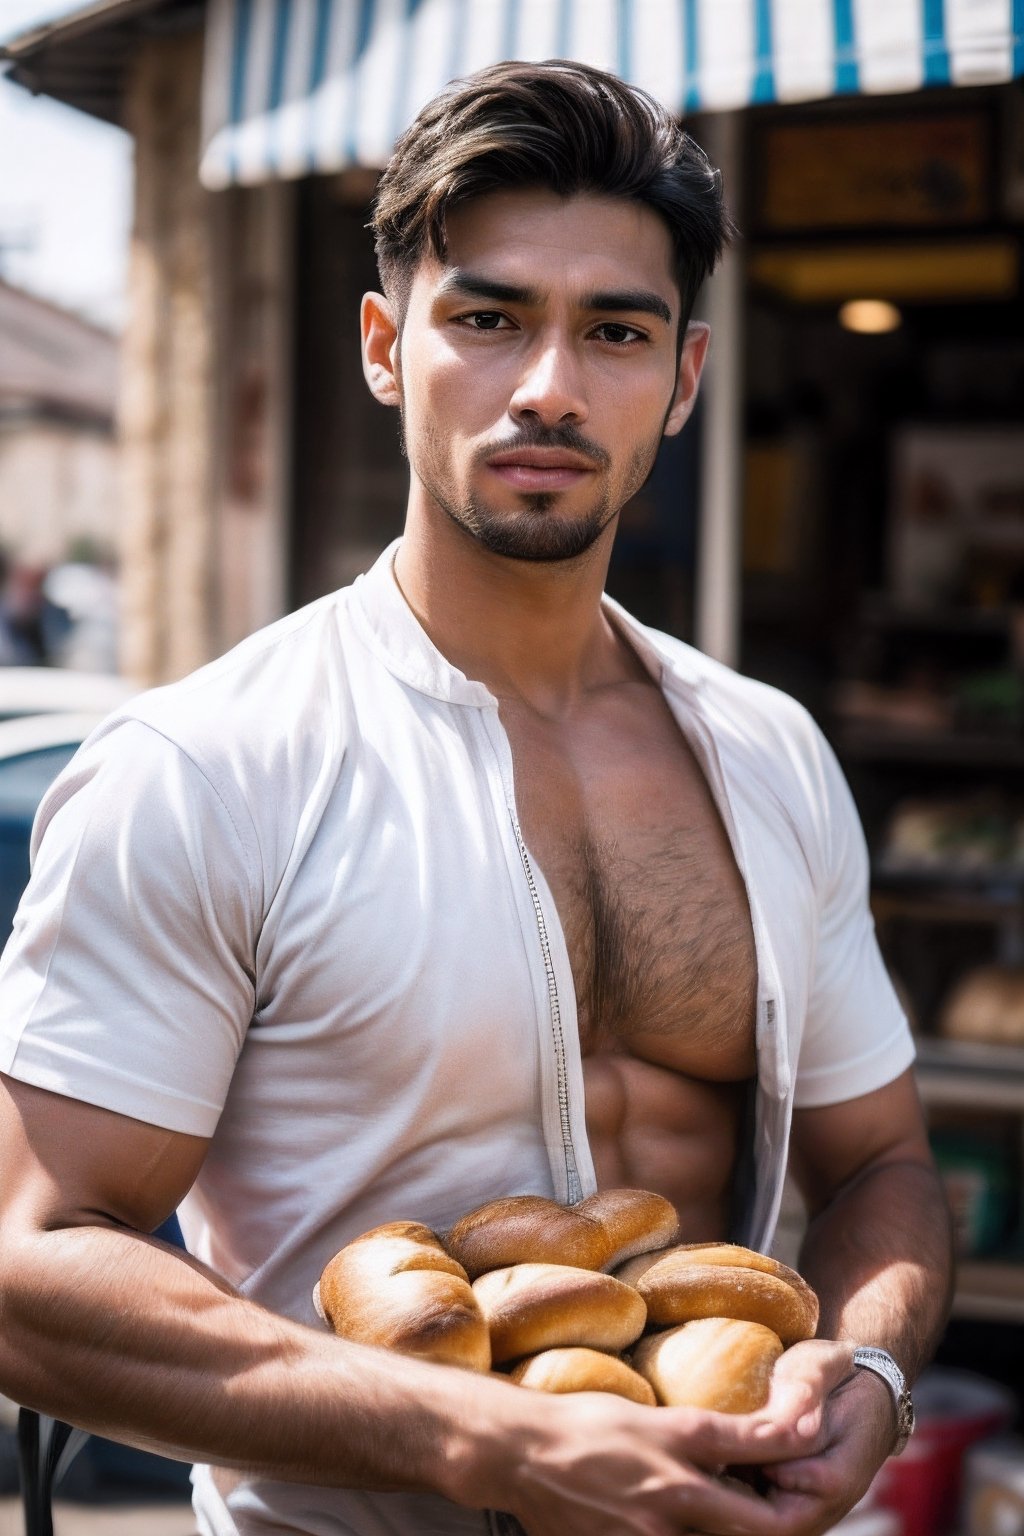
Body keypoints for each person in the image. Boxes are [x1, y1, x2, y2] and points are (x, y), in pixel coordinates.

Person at [0, 59, 952, 1536]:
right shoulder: (210, 766)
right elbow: (35, 1263)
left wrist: (871, 1370)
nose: (550, 388)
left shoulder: (767, 753)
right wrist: (477, 1439)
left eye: (616, 332)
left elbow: (881, 1158)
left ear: (686, 379)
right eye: (488, 318)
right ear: (388, 347)